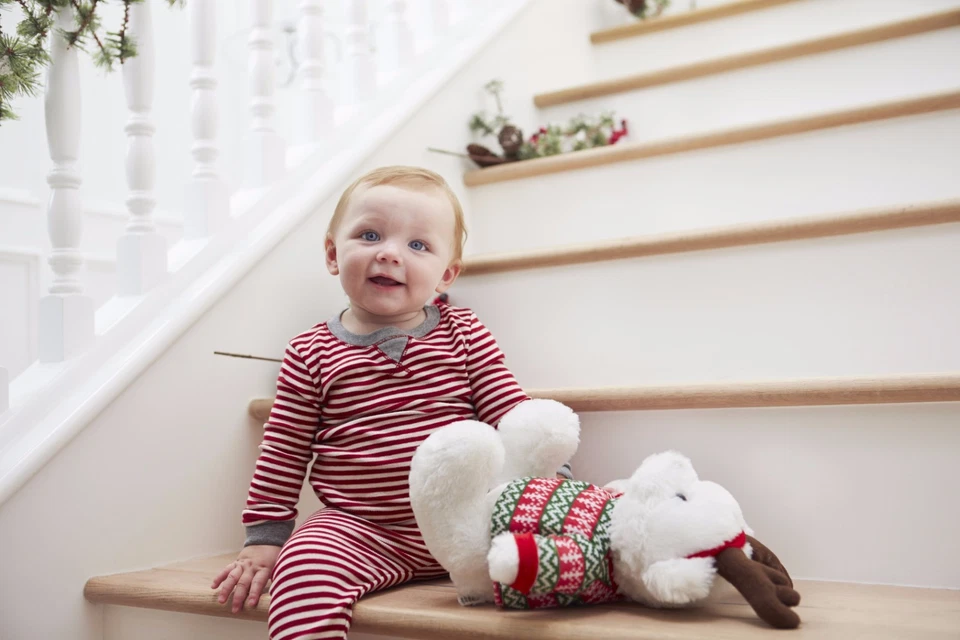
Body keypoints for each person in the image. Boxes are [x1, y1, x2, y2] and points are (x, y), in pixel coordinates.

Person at [211, 166, 572, 640]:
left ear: (446, 275)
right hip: (362, 530)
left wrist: (551, 489)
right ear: (332, 254)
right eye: (369, 234)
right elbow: (283, 450)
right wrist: (264, 540)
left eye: (417, 245)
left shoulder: (463, 333)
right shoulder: (310, 351)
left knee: (554, 561)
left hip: (469, 519)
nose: (388, 253)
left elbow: (513, 415)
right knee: (303, 567)